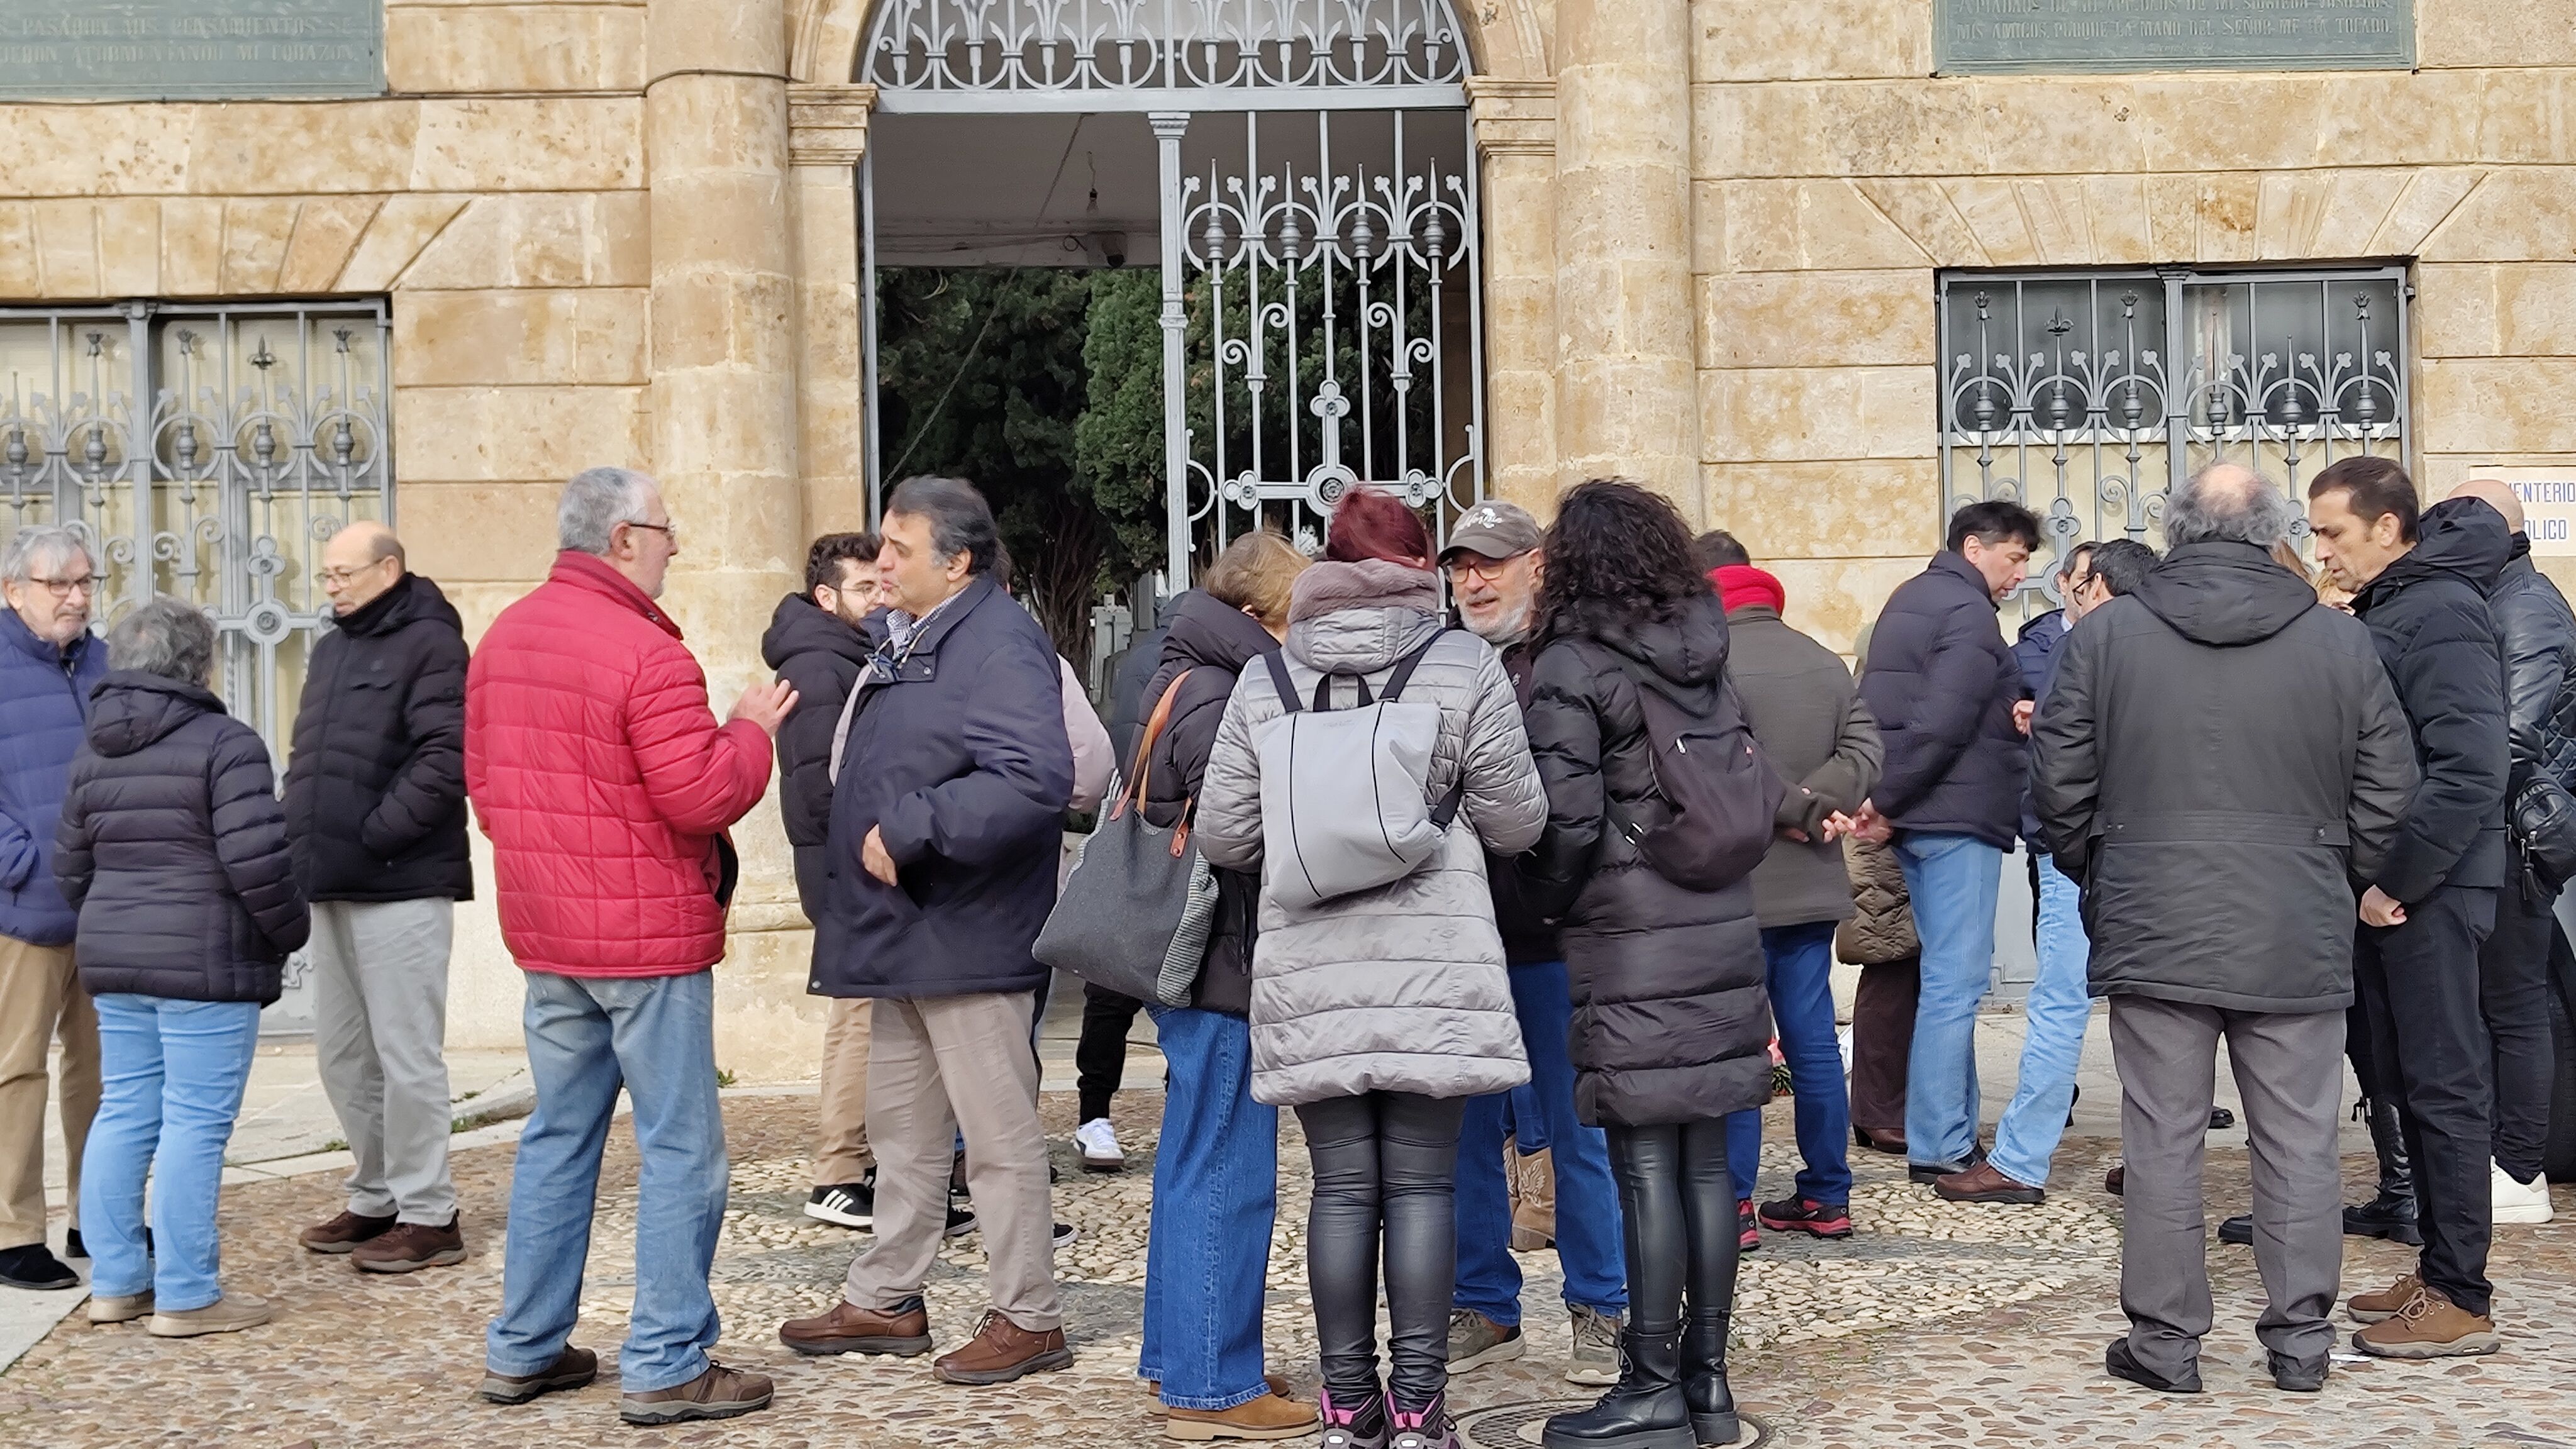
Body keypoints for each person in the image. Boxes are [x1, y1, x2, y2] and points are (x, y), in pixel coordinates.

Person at [2035, 462, 2416, 1394]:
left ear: (2173, 529)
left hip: (2154, 910)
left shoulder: (2107, 636)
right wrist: (2334, 873)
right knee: (2297, 1140)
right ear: (2273, 532)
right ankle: (2299, 1345)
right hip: (2295, 916)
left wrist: (2107, 871)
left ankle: (2167, 1345)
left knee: (2162, 1137)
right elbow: (2390, 788)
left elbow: (2058, 784)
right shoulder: (2338, 642)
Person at [1196, 486, 1546, 1449]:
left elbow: (1226, 834)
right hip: (1437, 962)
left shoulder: (1265, 681)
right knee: (1426, 1189)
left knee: (1343, 1188)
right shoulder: (1464, 664)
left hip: (1311, 966)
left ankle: (1348, 1408)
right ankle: (1422, 1407)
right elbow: (1520, 822)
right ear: (1418, 569)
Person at [467, 466, 792, 1425]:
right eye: (663, 530)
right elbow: (703, 795)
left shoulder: (503, 639)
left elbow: (486, 792)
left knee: (559, 1139)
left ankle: (522, 1347)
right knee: (684, 1150)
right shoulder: (649, 654)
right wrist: (751, 728)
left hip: (549, 933)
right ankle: (666, 1360)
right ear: (620, 539)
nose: (675, 545)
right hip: (647, 941)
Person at [777, 476, 1077, 1387]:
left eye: (899, 549)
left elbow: (1035, 778)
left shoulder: (998, 643)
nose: (881, 562)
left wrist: (914, 826)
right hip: (907, 931)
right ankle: (888, 1296)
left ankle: (1030, 1316)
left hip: (970, 934)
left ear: (957, 562)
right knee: (900, 1131)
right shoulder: (914, 639)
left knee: (995, 1139)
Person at [1521, 480, 1772, 1449]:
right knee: (1704, 1164)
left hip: (1629, 934)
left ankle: (1651, 1385)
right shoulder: (1705, 652)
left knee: (1642, 1169)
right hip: (1717, 922)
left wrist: (1541, 906)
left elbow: (1567, 820)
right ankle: (1707, 1388)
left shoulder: (1573, 663)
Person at [58, 597, 310, 1336]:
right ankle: (188, 1293)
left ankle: (116, 1283)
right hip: (204, 963)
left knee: (125, 1111)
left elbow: (70, 869)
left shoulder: (92, 748)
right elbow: (257, 863)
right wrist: (288, 934)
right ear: (198, 663)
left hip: (118, 959)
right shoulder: (224, 742)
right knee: (194, 1125)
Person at [2309, 460, 2512, 1359]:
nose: (2323, 551)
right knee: (2404, 1079)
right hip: (2397, 886)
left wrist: (2398, 879)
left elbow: (2471, 765)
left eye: (2335, 535)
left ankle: (2463, 1296)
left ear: (2390, 529)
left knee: (2445, 1085)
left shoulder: (2443, 612)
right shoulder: (2397, 606)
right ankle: (2436, 1269)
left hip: (2430, 886)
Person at [1132, 531, 1319, 1440]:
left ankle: (1183, 1356)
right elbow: (1237, 835)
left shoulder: (1185, 670)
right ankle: (1213, 1385)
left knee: (1190, 1161)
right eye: (1291, 622)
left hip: (1201, 964)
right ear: (1255, 619)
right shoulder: (1225, 687)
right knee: (1228, 1172)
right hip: (1224, 965)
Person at [1440, 500, 1631, 1388]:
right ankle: (1483, 1302)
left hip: (1558, 938)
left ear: (1538, 565)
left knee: (1576, 1130)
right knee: (1467, 1133)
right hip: (1462, 938)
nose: (1473, 580)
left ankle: (1602, 1305)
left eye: (1492, 563)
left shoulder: (1568, 662)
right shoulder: (1437, 664)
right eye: (1461, 565)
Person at [1935, 536, 2155, 1206]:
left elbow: (2057, 764)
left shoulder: (2082, 647)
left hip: (2084, 854)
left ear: (2098, 591)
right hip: (2156, 856)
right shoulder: (2173, 652)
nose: (2074, 596)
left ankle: (2021, 1161)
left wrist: (2053, 842)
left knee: (2059, 1004)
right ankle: (2154, 1158)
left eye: (2083, 585)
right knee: (2154, 1010)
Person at [283, 521, 474, 1274]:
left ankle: (431, 1213)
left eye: (343, 573)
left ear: (389, 568)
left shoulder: (432, 643)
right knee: (343, 1054)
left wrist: (375, 832)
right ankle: (375, 1194)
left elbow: (446, 755)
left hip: (399, 879)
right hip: (329, 878)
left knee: (405, 1055)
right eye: (326, 574)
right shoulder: (333, 648)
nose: (331, 586)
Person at [1695, 530, 1883, 1246]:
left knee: (1741, 1047)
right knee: (1810, 1043)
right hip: (1809, 880)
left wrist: (1790, 808)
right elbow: (1867, 750)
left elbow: (1720, 764)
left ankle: (1736, 1203)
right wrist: (1817, 809)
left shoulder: (1704, 665)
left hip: (1732, 885)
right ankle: (1828, 1195)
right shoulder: (1820, 660)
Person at [1853, 499, 2042, 1182]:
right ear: (1974, 547)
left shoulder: (1912, 598)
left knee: (1942, 981)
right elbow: (1942, 720)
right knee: (1953, 986)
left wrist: (1884, 797)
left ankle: (1948, 1128)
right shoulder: (1966, 613)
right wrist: (1889, 802)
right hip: (1952, 816)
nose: (2020, 573)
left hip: (1923, 813)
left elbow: (1886, 710)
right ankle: (1941, 1143)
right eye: (2014, 557)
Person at [2450, 478, 2572, 1228]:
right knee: (2497, 1005)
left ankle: (2520, 1170)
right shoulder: (2501, 598)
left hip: (2518, 837)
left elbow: (2514, 735)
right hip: (2501, 829)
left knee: (2517, 1005)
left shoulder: (2526, 608)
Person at [764, 530, 884, 1231]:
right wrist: (874, 844)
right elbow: (818, 789)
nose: (878, 596)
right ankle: (838, 1171)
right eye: (863, 587)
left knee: (873, 1015)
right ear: (827, 596)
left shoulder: (847, 653)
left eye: (881, 583)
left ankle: (870, 1164)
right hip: (847, 865)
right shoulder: (819, 663)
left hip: (851, 860)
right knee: (859, 1017)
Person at [0, 525, 104, 1292]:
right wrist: (21, 866)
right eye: (56, 584)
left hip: (109, 905)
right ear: (13, 591)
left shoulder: (109, 661)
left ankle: (94, 1214)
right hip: (21, 908)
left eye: (85, 582)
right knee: (17, 1070)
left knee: (104, 1073)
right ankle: (14, 1231)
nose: (75, 597)